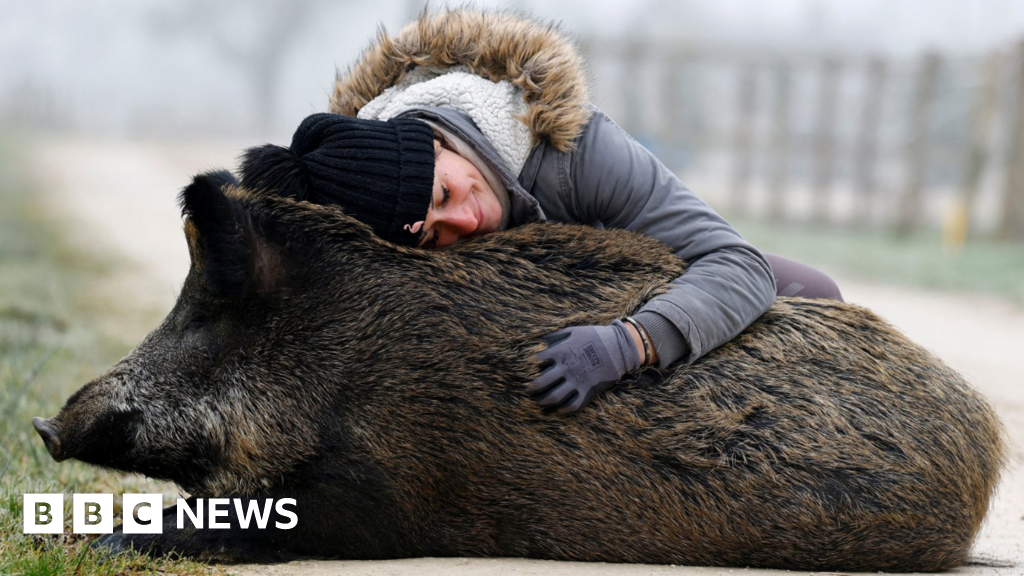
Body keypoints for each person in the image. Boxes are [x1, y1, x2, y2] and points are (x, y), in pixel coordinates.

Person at [240, 8, 843, 415]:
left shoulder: (575, 148)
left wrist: (630, 344)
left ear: (435, 139)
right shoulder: (370, 226)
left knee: (814, 291)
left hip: (640, 298)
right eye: (433, 234)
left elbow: (734, 263)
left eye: (446, 193)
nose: (467, 223)